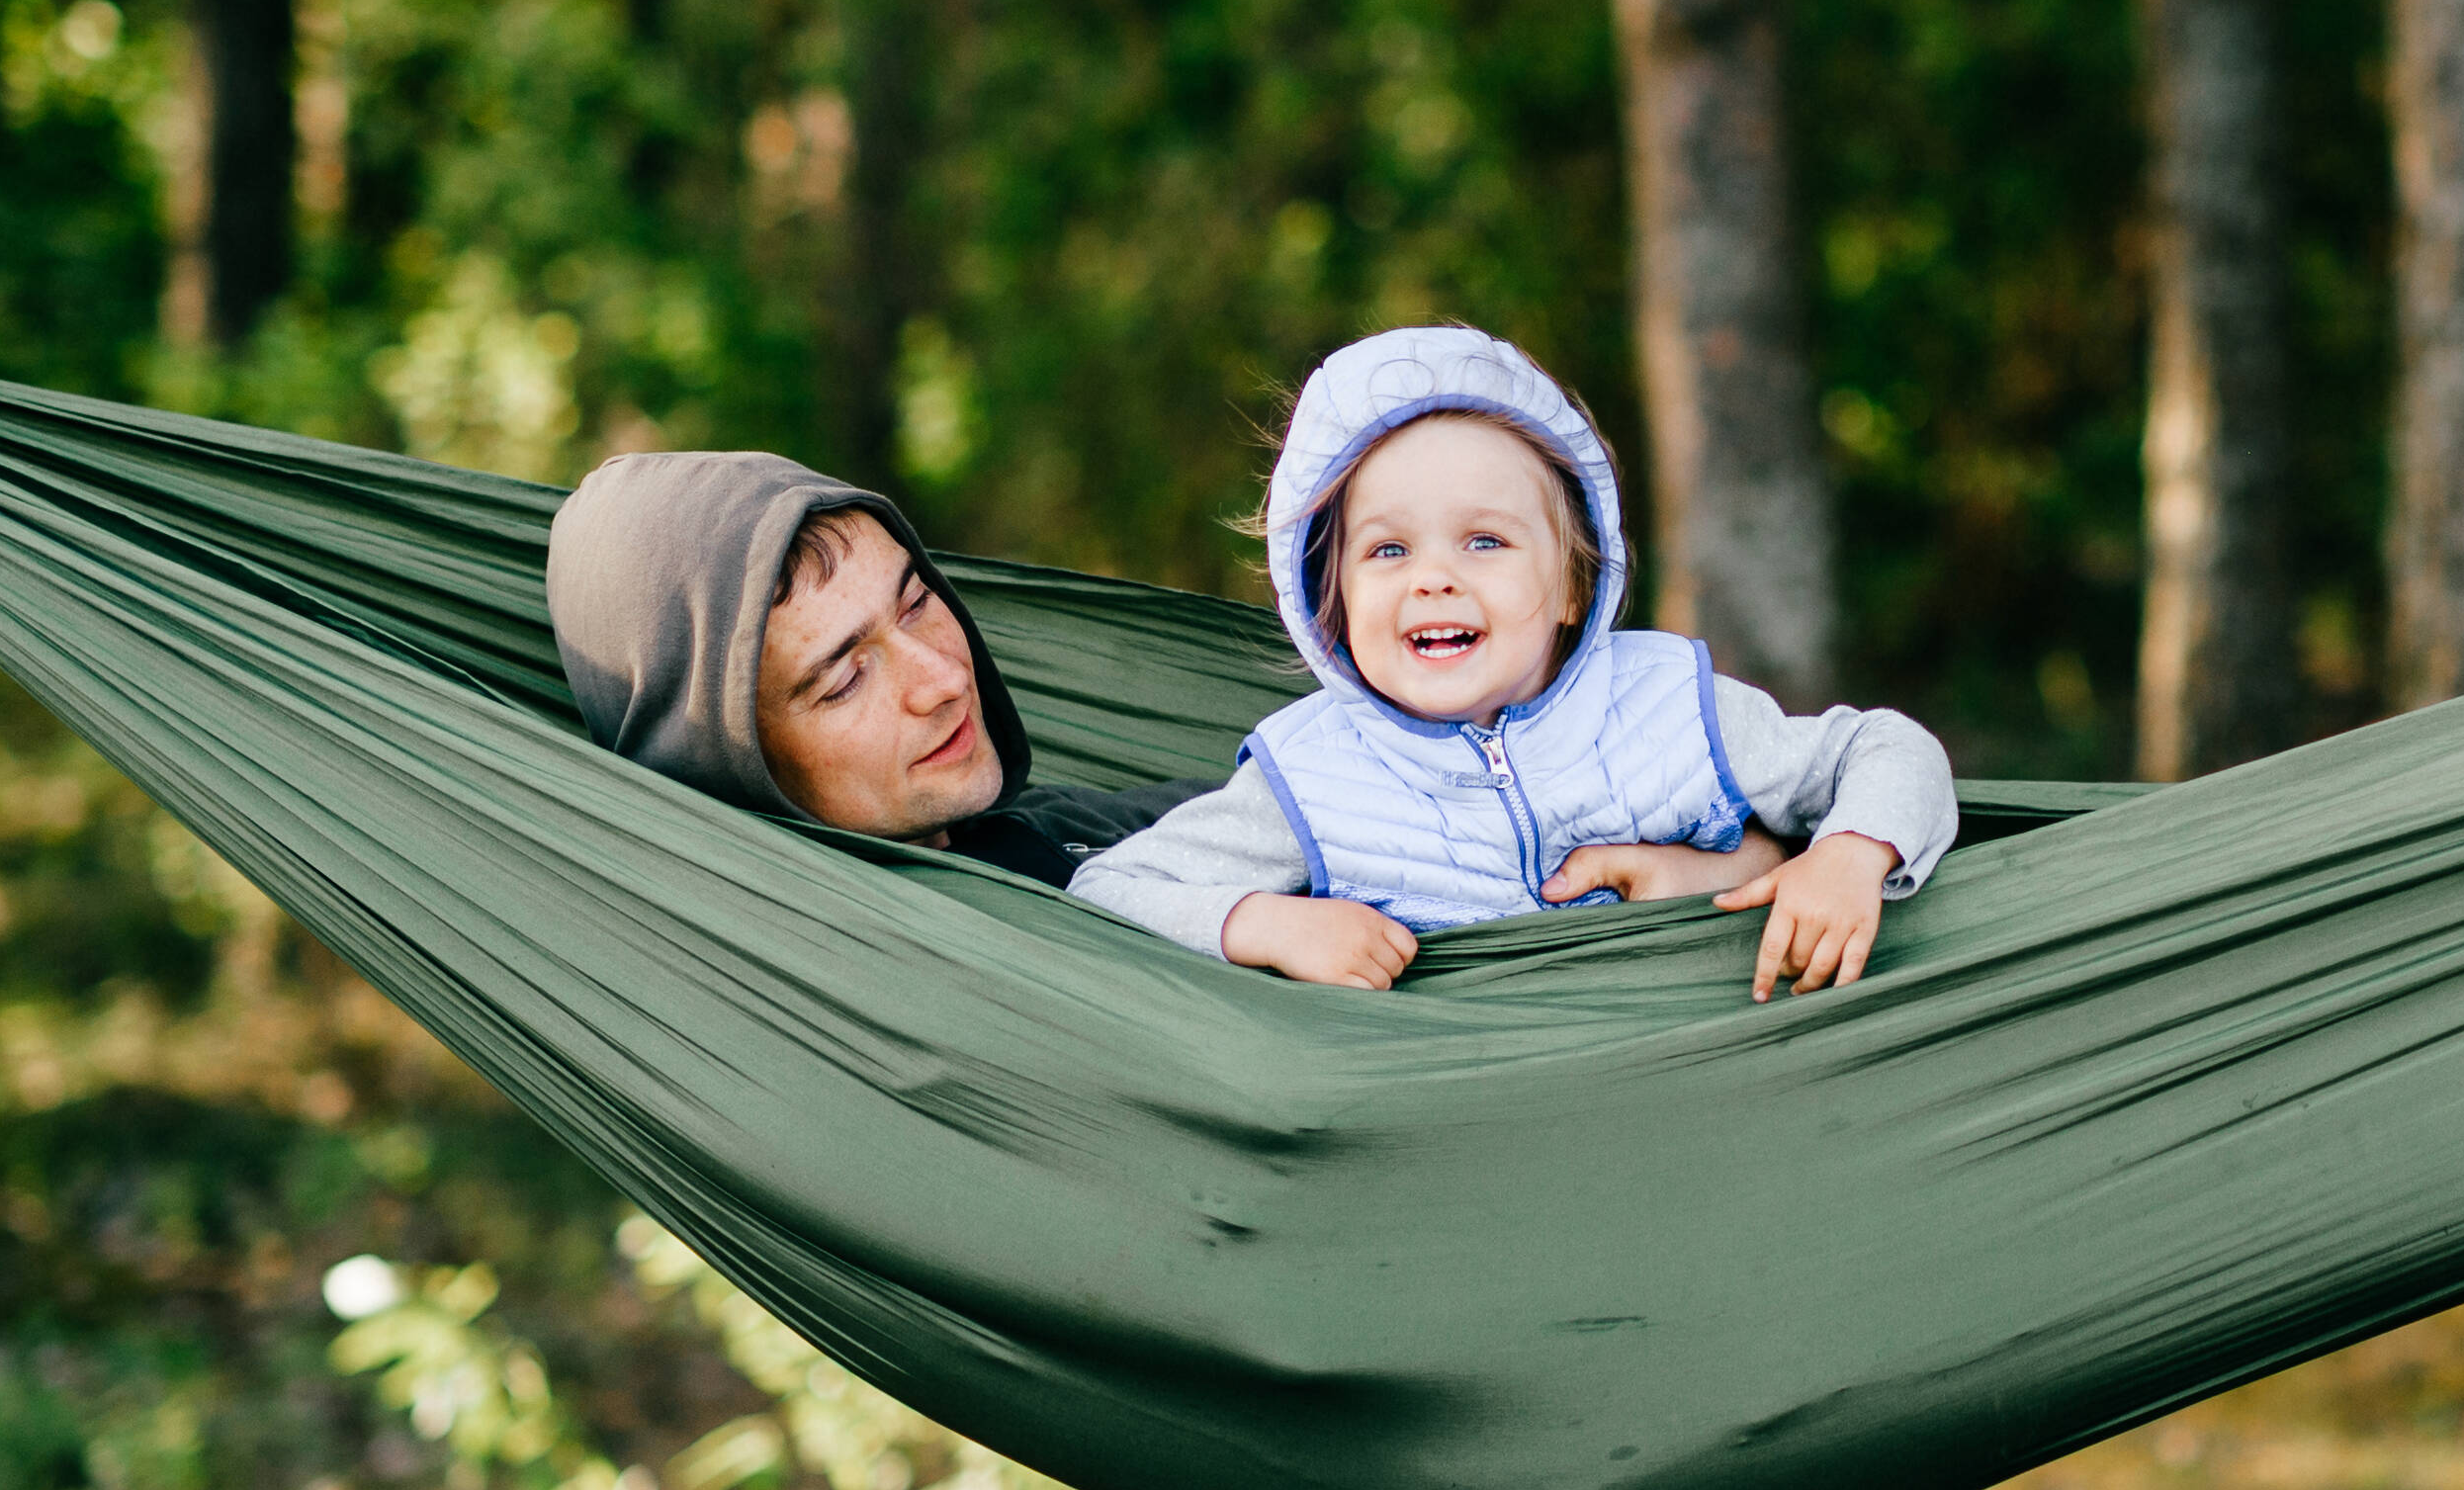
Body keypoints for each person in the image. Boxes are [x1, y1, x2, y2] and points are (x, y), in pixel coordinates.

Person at [1070, 326, 1957, 999]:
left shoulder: (1668, 707)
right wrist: (1263, 924)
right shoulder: (1312, 776)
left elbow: (1884, 751)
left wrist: (1848, 853)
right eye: (1387, 552)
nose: (1434, 581)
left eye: (1484, 540)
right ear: (1329, 602)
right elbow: (1110, 890)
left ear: (1572, 586)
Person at [546, 451, 1201, 885]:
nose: (944, 682)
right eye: (846, 680)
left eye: (917, 603)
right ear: (731, 768)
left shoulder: (1055, 824)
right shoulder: (850, 1015)